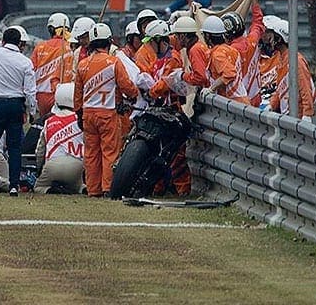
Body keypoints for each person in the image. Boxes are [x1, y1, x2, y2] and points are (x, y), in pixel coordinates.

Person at [73, 23, 139, 198]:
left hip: (88, 114)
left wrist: (79, 114)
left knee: (91, 153)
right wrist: (134, 95)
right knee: (110, 152)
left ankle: (93, 189)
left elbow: (77, 94)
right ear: (108, 42)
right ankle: (108, 187)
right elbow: (127, 86)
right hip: (108, 113)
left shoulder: (82, 64)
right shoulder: (114, 62)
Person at [0, 27, 37, 197]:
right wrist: (32, 111)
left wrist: (0, 43)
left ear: (3, 41)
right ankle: (14, 185)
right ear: (19, 43)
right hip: (16, 105)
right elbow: (30, 91)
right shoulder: (25, 62)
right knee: (15, 147)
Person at [142, 20, 191, 196]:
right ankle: (158, 188)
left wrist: (151, 91)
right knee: (157, 150)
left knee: (176, 155)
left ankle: (183, 190)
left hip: (173, 111)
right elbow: (152, 76)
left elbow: (165, 83)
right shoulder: (158, 60)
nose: (148, 46)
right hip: (160, 111)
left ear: (158, 40)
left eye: (150, 41)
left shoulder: (173, 59)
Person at [34, 83, 84, 194]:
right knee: (78, 186)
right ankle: (82, 189)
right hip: (77, 166)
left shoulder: (48, 121)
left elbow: (40, 151)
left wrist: (39, 169)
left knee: (38, 187)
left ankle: (50, 190)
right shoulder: (81, 121)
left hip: (52, 166)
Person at [223, 0, 265, 106]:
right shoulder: (253, 40)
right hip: (255, 96)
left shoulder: (228, 51)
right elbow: (258, 21)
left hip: (238, 100)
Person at [265, 18, 315, 120]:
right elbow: (280, 88)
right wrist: (271, 105)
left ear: (280, 38)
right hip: (286, 113)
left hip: (298, 115)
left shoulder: (295, 60)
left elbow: (305, 87)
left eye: (273, 36)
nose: (270, 40)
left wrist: (307, 114)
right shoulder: (281, 58)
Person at [203, 16, 249, 104]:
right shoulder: (230, 49)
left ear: (208, 36)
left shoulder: (217, 54)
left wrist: (211, 89)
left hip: (233, 102)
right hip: (240, 99)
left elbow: (230, 74)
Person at [31, 13, 71, 117]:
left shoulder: (40, 47)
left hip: (40, 95)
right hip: (61, 95)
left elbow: (31, 70)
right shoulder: (69, 47)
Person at [171, 17, 212, 88]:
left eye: (176, 36)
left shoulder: (194, 50)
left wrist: (182, 75)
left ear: (182, 36)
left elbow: (200, 77)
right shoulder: (198, 45)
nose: (176, 39)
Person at [65, 17, 96, 84]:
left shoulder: (109, 50)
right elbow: (74, 75)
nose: (81, 41)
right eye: (79, 38)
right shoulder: (77, 53)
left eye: (84, 37)